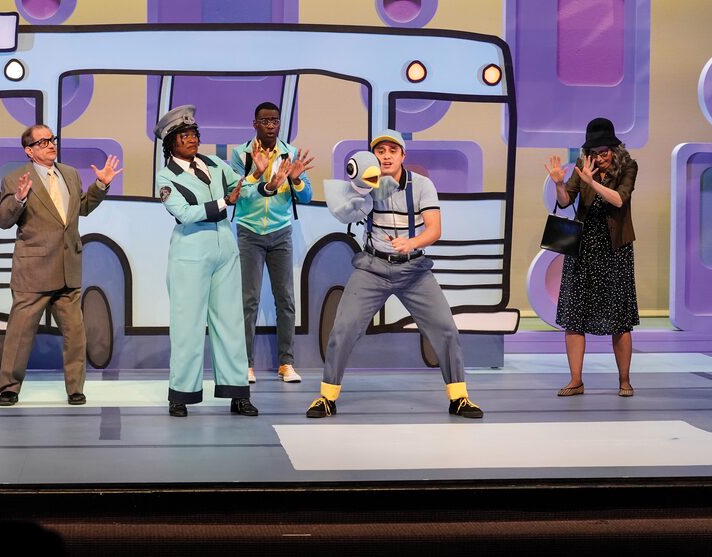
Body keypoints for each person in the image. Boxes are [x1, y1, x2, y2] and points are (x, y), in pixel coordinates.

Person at [305, 129, 484, 419]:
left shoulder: (422, 185)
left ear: (403, 155)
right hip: (373, 268)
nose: (386, 156)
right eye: (380, 151)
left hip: (413, 269)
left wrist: (410, 243)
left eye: (392, 151)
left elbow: (434, 229)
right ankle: (327, 397)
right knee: (344, 327)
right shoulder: (365, 184)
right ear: (373, 156)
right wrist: (355, 193)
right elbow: (346, 211)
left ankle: (459, 397)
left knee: (445, 328)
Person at [156, 105, 289, 417]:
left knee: (230, 322)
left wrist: (263, 181)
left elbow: (241, 191)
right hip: (191, 253)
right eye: (184, 136)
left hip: (224, 249)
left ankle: (237, 392)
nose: (191, 140)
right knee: (187, 325)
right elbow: (185, 214)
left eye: (194, 134)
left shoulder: (213, 164)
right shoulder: (165, 177)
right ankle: (181, 394)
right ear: (171, 142)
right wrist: (222, 202)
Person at [0, 125, 122, 406]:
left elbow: (82, 208)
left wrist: (100, 185)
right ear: (29, 150)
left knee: (76, 334)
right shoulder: (15, 178)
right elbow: (3, 220)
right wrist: (18, 198)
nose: (51, 144)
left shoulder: (70, 174)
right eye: (43, 142)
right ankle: (9, 388)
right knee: (19, 334)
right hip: (34, 272)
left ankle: (75, 388)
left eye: (52, 139)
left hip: (68, 268)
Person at [544, 117, 639, 397]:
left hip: (615, 250)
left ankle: (624, 380)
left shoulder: (628, 167)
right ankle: (576, 380)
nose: (599, 158)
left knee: (619, 318)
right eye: (594, 153)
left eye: (604, 152)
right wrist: (561, 184)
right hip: (583, 249)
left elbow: (620, 199)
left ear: (614, 149)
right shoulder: (583, 168)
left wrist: (592, 182)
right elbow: (564, 201)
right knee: (575, 316)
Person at [230, 101, 314, 384]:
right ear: (255, 124)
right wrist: (257, 174)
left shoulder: (290, 153)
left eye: (274, 121)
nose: (270, 125)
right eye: (264, 121)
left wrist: (296, 180)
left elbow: (305, 197)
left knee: (285, 299)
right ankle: (245, 364)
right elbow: (237, 195)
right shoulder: (241, 154)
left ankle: (286, 364)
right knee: (248, 300)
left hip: (280, 232)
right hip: (249, 232)